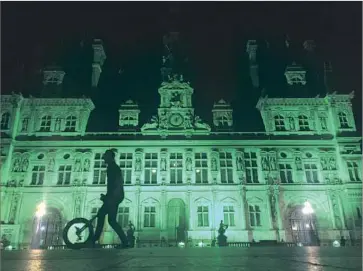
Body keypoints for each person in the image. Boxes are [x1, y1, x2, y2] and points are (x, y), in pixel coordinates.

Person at [92, 149, 129, 248]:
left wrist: (108, 197)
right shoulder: (114, 167)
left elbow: (113, 184)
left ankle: (94, 239)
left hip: (113, 197)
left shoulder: (112, 168)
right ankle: (125, 241)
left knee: (101, 215)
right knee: (111, 220)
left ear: (109, 157)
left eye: (105, 156)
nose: (103, 158)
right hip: (115, 196)